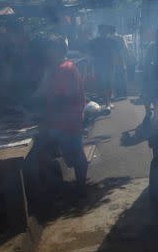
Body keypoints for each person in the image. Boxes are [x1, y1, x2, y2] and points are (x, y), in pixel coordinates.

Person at [27, 35, 88, 199]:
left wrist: (41, 114)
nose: (47, 53)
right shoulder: (57, 68)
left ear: (58, 51)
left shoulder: (64, 69)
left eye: (50, 49)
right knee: (71, 153)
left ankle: (79, 187)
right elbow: (44, 91)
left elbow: (62, 98)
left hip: (68, 119)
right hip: (63, 119)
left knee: (73, 152)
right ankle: (77, 186)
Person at [88, 25, 123, 110]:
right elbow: (90, 54)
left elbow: (117, 53)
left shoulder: (110, 41)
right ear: (100, 32)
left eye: (105, 31)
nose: (104, 32)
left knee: (108, 84)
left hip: (107, 65)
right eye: (103, 31)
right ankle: (107, 103)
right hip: (102, 66)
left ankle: (108, 102)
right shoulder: (96, 41)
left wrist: (119, 63)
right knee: (105, 84)